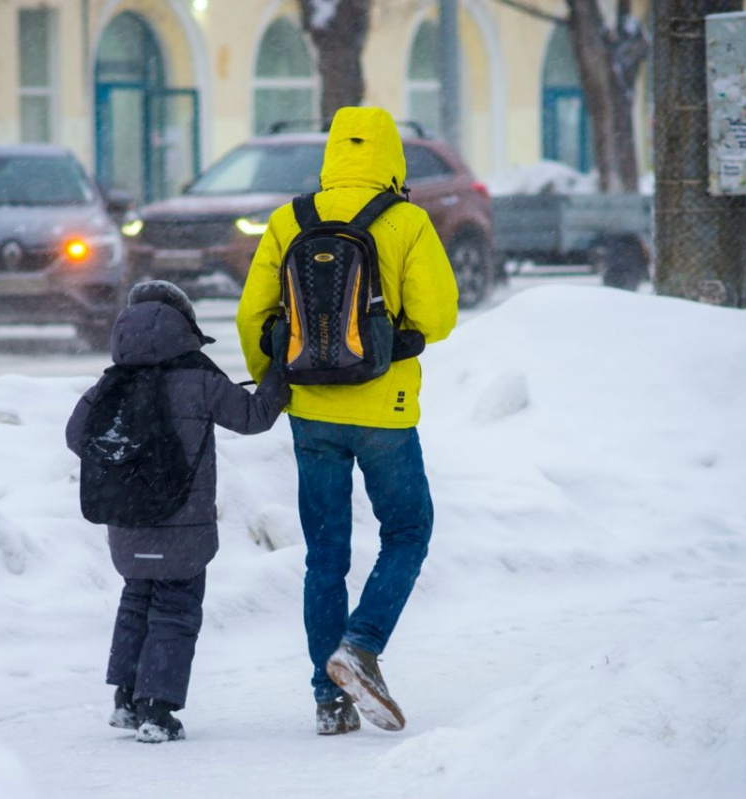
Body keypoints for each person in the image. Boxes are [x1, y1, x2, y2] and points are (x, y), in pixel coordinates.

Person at [235, 107, 459, 735]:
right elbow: (437, 318)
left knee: (324, 555)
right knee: (409, 530)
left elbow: (254, 314)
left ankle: (327, 703)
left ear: (333, 154)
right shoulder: (406, 221)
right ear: (393, 157)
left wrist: (277, 382)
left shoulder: (289, 220)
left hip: (312, 414)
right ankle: (360, 645)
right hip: (384, 410)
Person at [66, 280, 290, 743]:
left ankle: (126, 701)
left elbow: (75, 437)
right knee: (175, 610)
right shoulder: (200, 378)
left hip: (127, 522)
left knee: (136, 603)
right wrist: (280, 372)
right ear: (183, 325)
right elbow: (255, 417)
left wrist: (126, 458)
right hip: (182, 526)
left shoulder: (110, 384)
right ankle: (157, 710)